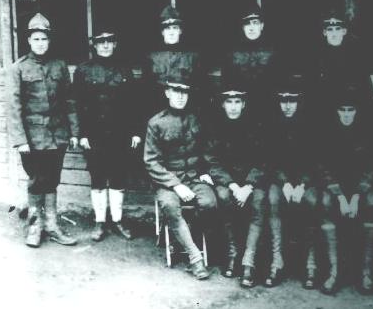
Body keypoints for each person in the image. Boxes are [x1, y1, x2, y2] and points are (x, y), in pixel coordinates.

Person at [8, 13, 79, 248]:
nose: (40, 43)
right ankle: (35, 226)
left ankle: (52, 225)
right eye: (36, 39)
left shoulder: (59, 65)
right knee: (37, 180)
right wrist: (20, 140)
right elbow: (14, 107)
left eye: (44, 39)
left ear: (49, 40)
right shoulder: (19, 68)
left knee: (52, 180)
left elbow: (69, 101)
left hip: (57, 136)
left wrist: (74, 132)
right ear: (29, 40)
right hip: (33, 138)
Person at [143, 72, 217, 280]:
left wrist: (205, 171)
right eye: (176, 91)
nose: (181, 96)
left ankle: (183, 236)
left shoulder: (197, 118)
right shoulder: (156, 123)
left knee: (210, 203)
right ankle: (195, 258)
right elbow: (151, 161)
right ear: (167, 93)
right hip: (167, 181)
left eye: (185, 92)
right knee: (169, 206)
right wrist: (176, 185)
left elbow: (208, 150)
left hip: (195, 177)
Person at [73, 28, 142, 242]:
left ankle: (118, 220)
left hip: (120, 134)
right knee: (98, 178)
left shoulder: (124, 69)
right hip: (94, 134)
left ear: (115, 44)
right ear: (94, 45)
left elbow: (134, 103)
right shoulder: (83, 70)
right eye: (101, 42)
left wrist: (136, 132)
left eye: (109, 41)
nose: (105, 46)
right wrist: (81, 134)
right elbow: (77, 104)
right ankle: (100, 222)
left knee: (119, 176)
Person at [316, 86, 373, 296]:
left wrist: (358, 194)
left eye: (351, 110)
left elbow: (371, 168)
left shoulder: (367, 134)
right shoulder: (327, 134)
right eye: (342, 110)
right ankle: (334, 272)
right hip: (336, 189)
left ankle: (365, 272)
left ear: (357, 111)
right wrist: (341, 196)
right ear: (336, 111)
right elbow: (323, 168)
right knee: (325, 202)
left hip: (359, 189)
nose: (346, 114)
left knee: (372, 202)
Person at [206, 80, 267, 288]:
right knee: (223, 197)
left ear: (244, 104)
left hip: (252, 182)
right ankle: (232, 253)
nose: (233, 106)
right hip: (228, 181)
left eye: (237, 101)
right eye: (229, 102)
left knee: (259, 200)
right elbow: (212, 161)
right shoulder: (215, 127)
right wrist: (233, 185)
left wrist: (248, 186)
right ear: (222, 104)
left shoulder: (257, 127)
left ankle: (249, 261)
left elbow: (263, 160)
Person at [263, 77, 318, 289]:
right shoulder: (272, 124)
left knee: (312, 202)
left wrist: (302, 184)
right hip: (280, 181)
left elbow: (315, 160)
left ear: (299, 102)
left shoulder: (311, 125)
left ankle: (310, 265)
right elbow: (270, 159)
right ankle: (277, 262)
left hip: (306, 182)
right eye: (283, 101)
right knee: (273, 199)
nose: (287, 106)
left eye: (292, 101)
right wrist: (285, 182)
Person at [142, 5, 205, 117]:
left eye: (175, 28)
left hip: (185, 110)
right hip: (157, 109)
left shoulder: (193, 56)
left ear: (180, 31)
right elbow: (147, 89)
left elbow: (198, 87)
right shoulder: (151, 56)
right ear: (162, 32)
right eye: (167, 28)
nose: (171, 32)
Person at [222, 4, 277, 124]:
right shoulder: (232, 53)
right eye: (247, 23)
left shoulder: (274, 52)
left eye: (255, 23)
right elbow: (227, 84)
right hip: (240, 112)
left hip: (268, 109)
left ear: (262, 25)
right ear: (243, 27)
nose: (251, 28)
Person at [313, 10, 373, 118]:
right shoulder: (317, 55)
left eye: (338, 29)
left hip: (351, 102)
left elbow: (364, 82)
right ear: (324, 32)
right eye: (330, 29)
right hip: (326, 101)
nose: (334, 33)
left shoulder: (356, 54)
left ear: (344, 31)